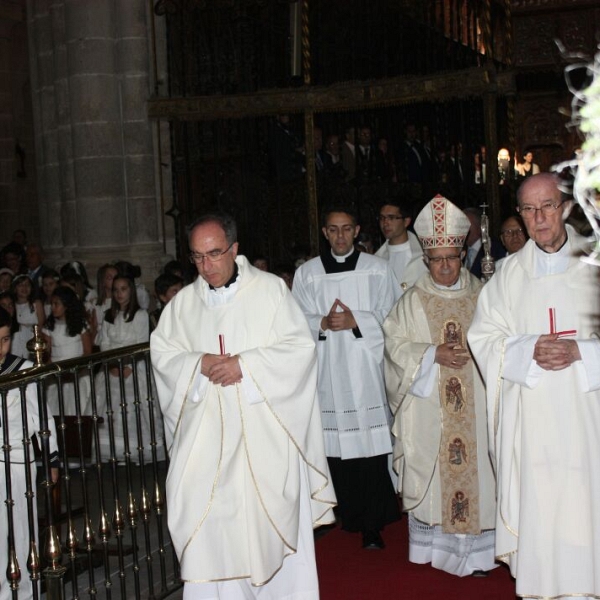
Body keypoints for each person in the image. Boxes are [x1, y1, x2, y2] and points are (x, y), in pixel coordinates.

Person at [150, 211, 336, 599]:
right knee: (208, 532)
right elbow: (164, 356)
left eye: (215, 254)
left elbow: (299, 350)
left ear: (234, 249)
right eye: (197, 257)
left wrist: (246, 366)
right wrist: (197, 364)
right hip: (206, 444)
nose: (206, 266)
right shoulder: (182, 306)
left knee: (268, 531)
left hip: (265, 437)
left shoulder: (270, 292)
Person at [468, 173, 600, 599]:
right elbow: (483, 338)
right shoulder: (507, 276)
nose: (539, 218)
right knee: (541, 502)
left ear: (564, 208)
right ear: (520, 216)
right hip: (532, 421)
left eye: (547, 206)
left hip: (587, 416)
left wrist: (583, 352)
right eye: (529, 209)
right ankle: (543, 589)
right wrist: (527, 349)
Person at [383, 195, 496, 577]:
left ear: (462, 255)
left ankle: (478, 555)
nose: (445, 267)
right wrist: (431, 354)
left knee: (479, 473)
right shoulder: (412, 302)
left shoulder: (483, 295)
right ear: (426, 260)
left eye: (452, 258)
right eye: (437, 260)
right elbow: (394, 347)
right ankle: (439, 551)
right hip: (432, 408)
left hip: (476, 409)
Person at [292, 205, 400, 550]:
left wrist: (359, 322)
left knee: (369, 451)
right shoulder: (307, 274)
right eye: (333, 229)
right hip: (329, 375)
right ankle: (349, 517)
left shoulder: (378, 270)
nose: (339, 235)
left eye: (346, 229)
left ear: (356, 231)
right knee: (338, 452)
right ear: (325, 233)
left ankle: (374, 524)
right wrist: (320, 323)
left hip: (367, 374)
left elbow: (394, 317)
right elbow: (294, 323)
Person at [0, 306, 59, 600]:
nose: (1, 347)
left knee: (23, 530)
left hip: (16, 460)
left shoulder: (22, 370)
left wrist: (51, 457)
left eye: (5, 339)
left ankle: (27, 592)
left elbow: (42, 419)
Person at [96, 275, 155, 463]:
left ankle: (137, 451)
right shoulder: (108, 314)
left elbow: (141, 342)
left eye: (123, 289)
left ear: (131, 290)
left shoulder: (140, 314)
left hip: (134, 367)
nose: (119, 293)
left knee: (132, 409)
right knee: (111, 410)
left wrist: (128, 365)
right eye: (116, 290)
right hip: (112, 367)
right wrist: (112, 364)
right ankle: (115, 451)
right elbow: (104, 343)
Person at [42, 285, 93, 415]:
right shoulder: (49, 326)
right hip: (57, 375)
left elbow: (87, 351)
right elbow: (47, 353)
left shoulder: (80, 325)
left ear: (66, 305)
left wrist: (75, 371)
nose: (53, 307)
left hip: (77, 374)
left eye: (56, 304)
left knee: (78, 409)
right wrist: (54, 371)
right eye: (51, 303)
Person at [375, 198, 426, 292]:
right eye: (382, 218)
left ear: (406, 221)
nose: (385, 223)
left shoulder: (424, 255)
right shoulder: (377, 259)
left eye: (391, 218)